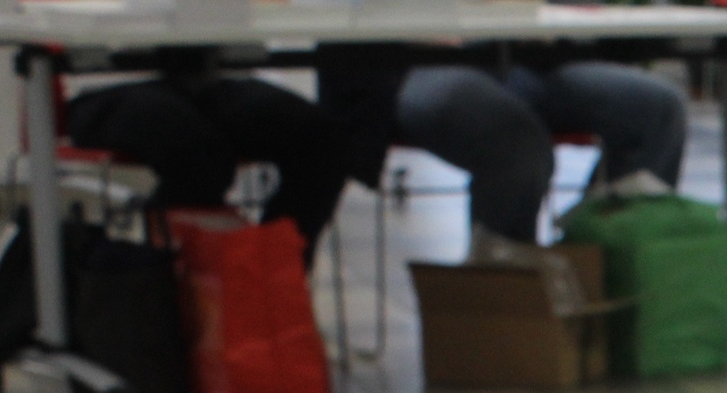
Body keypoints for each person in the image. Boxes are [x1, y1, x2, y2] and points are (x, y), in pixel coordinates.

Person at [317, 52, 688, 245]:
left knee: (658, 110)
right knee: (515, 143)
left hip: (521, 55)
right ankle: (507, 302)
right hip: (410, 62)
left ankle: (599, 264)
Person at [65, 70, 349, 259]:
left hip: (208, 77)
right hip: (106, 85)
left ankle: (273, 278)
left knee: (323, 140)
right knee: (199, 157)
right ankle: (169, 290)